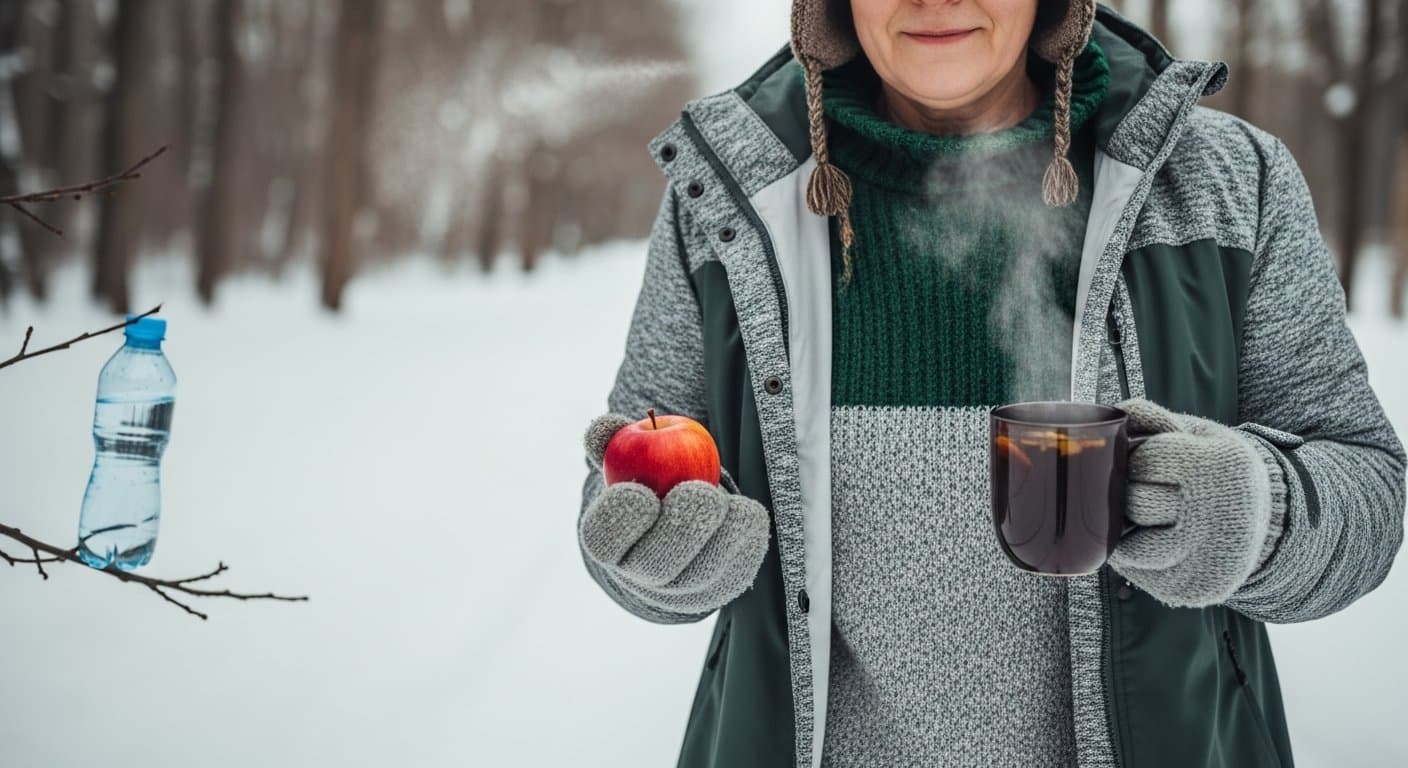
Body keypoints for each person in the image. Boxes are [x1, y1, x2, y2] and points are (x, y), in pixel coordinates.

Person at [576, 1, 1406, 766]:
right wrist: (654, 558)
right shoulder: (729, 197)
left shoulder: (1227, 185)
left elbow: (1369, 493)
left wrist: (1252, 510)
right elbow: (630, 489)